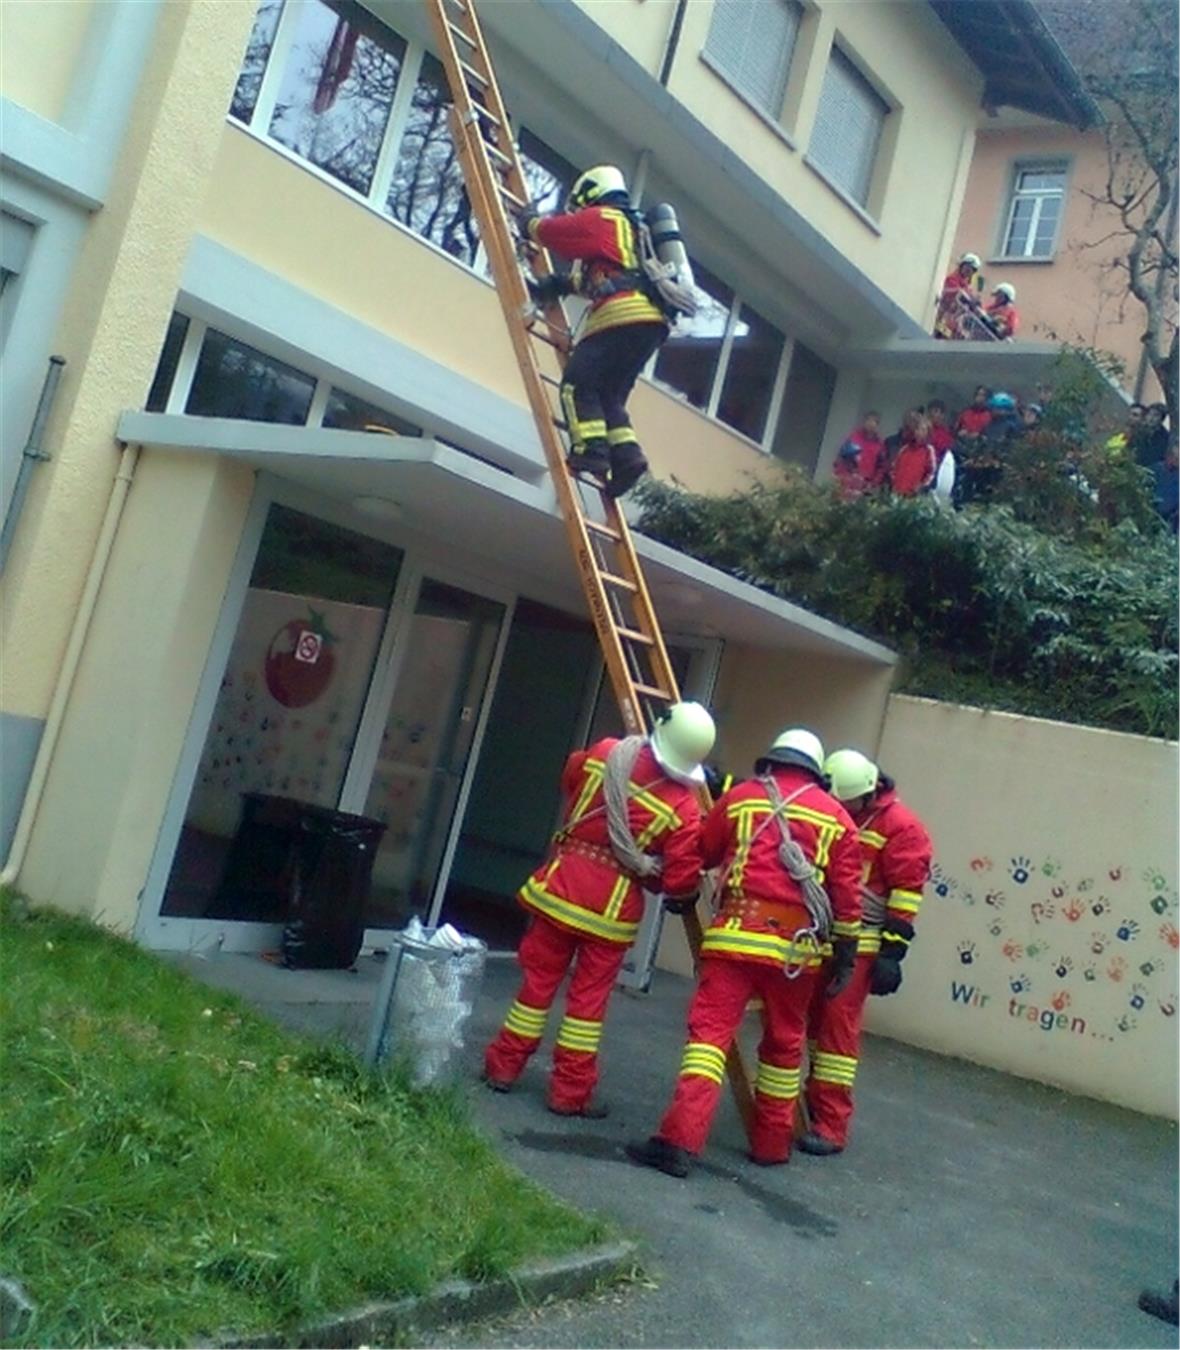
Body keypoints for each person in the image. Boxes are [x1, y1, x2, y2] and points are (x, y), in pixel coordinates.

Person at [625, 728, 862, 1177]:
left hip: (734, 937)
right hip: (798, 952)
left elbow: (704, 851)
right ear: (816, 770)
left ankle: (678, 1143)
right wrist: (844, 955)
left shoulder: (743, 799)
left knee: (709, 1040)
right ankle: (771, 1144)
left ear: (773, 760)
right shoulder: (838, 819)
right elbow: (847, 897)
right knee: (785, 1043)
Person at [483, 702, 714, 1116]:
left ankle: (502, 1068)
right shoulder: (684, 806)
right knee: (586, 1008)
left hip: (561, 886)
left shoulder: (607, 751)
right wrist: (659, 875)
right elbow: (679, 878)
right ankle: (569, 1094)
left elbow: (570, 778)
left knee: (534, 988)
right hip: (611, 909)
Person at [798, 749, 932, 1156]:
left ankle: (831, 1125)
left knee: (837, 1034)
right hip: (826, 934)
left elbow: (906, 893)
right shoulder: (843, 810)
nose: (839, 808)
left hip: (863, 945)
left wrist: (893, 954)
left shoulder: (902, 827)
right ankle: (803, 1104)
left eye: (846, 803)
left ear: (867, 794)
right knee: (809, 1024)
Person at [521, 165, 670, 499]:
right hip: (649, 324)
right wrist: (560, 284)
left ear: (591, 191)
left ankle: (591, 453)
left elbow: (557, 233)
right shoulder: (633, 230)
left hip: (620, 316)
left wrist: (530, 223)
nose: (579, 210)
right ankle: (628, 459)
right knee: (608, 396)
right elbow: (606, 277)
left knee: (577, 387)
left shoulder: (603, 217)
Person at [832, 412, 886, 498]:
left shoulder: (879, 445)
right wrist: (839, 475)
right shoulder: (854, 438)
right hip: (848, 481)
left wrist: (873, 484)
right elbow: (842, 458)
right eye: (869, 420)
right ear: (864, 422)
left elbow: (881, 467)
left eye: (875, 422)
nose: (871, 424)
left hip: (864, 485)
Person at [934, 252, 982, 339]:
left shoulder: (966, 285)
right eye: (967, 268)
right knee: (943, 332)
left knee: (956, 335)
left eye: (971, 270)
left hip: (952, 318)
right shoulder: (952, 279)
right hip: (942, 315)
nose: (969, 272)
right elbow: (955, 293)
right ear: (962, 266)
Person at [888, 410, 937, 497]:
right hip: (897, 492)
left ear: (928, 432)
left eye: (923, 430)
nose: (919, 432)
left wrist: (920, 487)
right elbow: (894, 467)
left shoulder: (929, 451)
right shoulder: (905, 449)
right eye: (917, 429)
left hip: (913, 496)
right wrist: (895, 483)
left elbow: (931, 472)